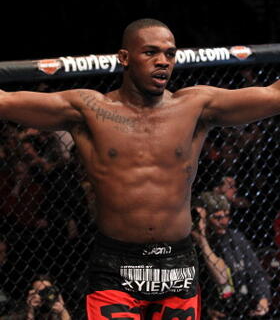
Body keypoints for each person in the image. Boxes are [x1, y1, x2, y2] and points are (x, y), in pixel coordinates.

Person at [0, 18, 280, 319]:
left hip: (178, 265)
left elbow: (274, 96)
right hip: (116, 265)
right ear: (124, 58)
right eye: (150, 53)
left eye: (170, 54)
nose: (163, 62)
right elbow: (5, 101)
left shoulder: (196, 107)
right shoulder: (89, 110)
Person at [192, 193, 271, 319]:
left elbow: (256, 273)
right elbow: (221, 277)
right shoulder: (195, 245)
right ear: (205, 218)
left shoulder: (235, 238)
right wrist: (202, 240)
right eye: (217, 217)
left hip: (239, 308)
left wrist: (262, 297)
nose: (224, 221)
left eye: (227, 216)